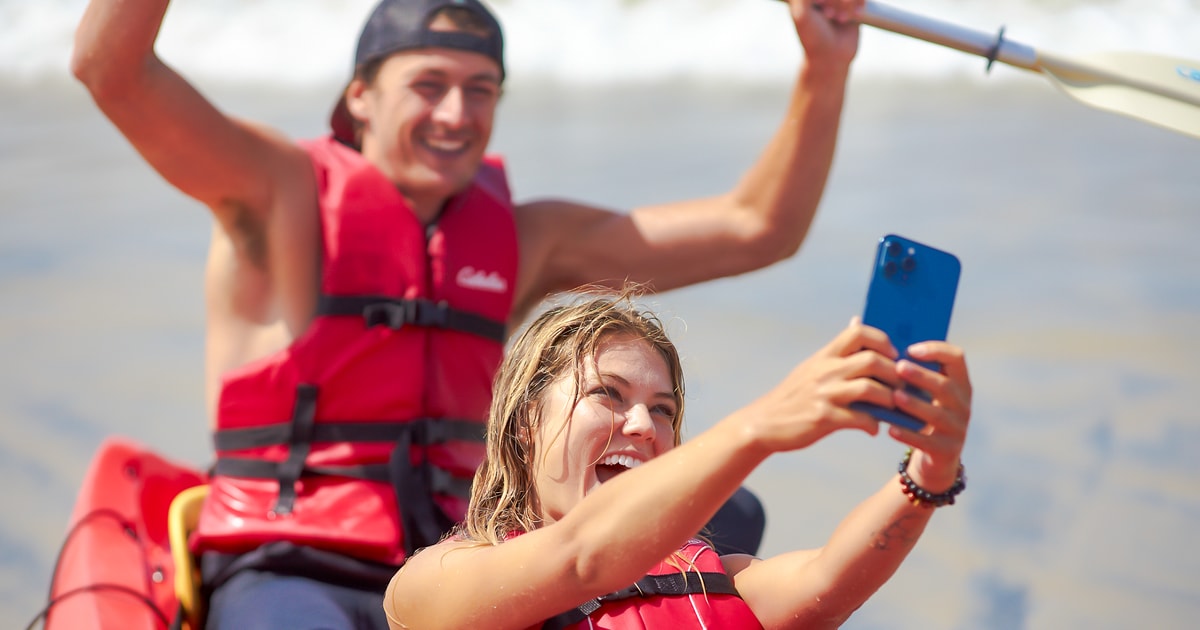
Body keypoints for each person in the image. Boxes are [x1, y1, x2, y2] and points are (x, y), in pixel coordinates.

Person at [70, 0, 865, 627]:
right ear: (360, 98)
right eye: (428, 84)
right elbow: (110, 68)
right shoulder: (275, 192)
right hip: (294, 560)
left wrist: (823, 71)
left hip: (460, 551)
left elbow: (760, 228)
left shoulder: (521, 237)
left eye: (480, 90)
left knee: (731, 511)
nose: (457, 113)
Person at [385, 289, 972, 629]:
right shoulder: (429, 586)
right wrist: (760, 427)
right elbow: (582, 561)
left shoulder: (725, 579)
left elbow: (828, 581)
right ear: (524, 425)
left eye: (662, 410)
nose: (642, 426)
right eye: (607, 394)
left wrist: (928, 473)